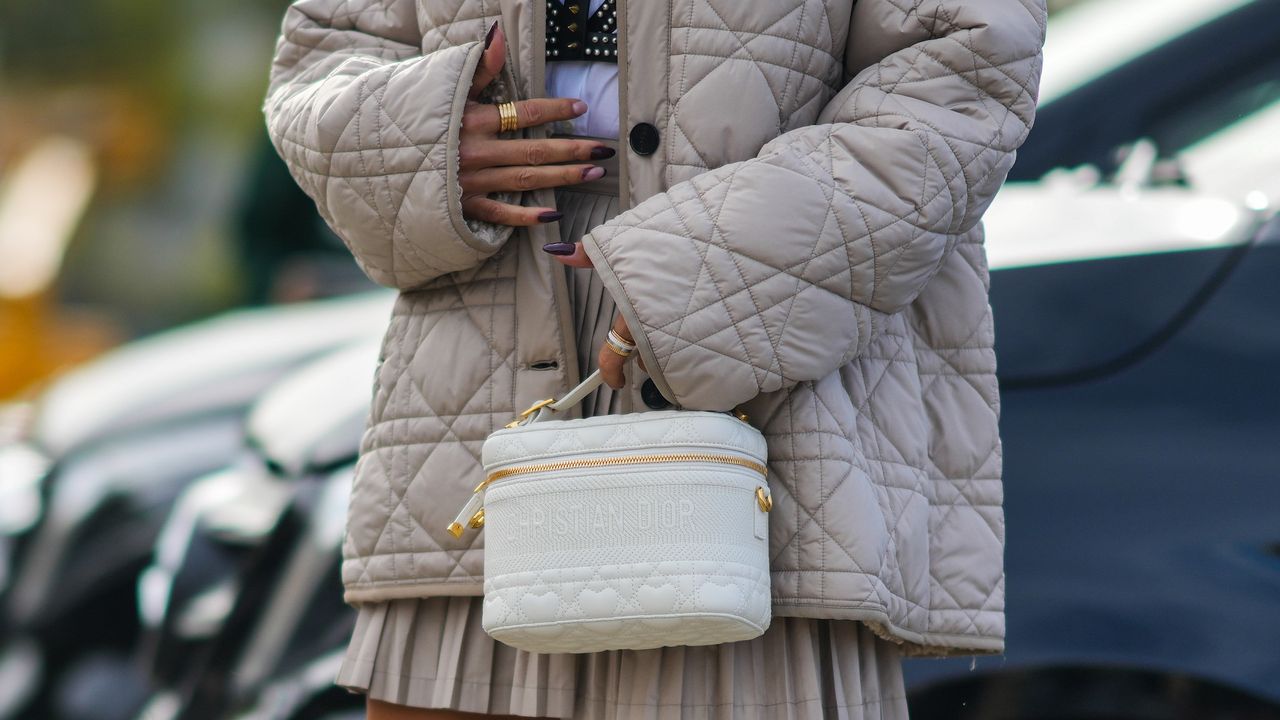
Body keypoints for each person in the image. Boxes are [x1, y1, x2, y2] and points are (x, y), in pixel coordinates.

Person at [264, 0, 1046, 717]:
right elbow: (327, 54)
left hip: (768, 411)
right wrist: (417, 144)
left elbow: (962, 75)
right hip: (470, 418)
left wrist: (698, 279)